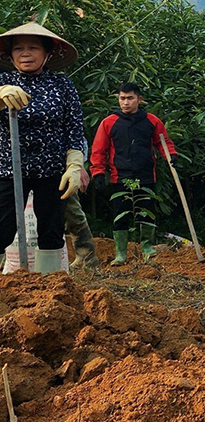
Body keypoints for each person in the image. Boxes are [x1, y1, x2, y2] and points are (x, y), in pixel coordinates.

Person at [0, 22, 86, 273]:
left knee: (51, 228)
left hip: (51, 171)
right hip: (8, 169)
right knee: (2, 226)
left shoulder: (62, 86)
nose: (25, 53)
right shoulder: (3, 81)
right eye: (18, 48)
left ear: (48, 53)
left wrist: (74, 165)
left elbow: (74, 128)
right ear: (10, 54)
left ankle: (49, 286)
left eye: (33, 47)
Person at [90, 82, 177, 264]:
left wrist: (172, 157)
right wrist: (98, 173)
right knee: (121, 214)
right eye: (122, 98)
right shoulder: (109, 123)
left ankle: (146, 246)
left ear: (139, 99)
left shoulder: (152, 121)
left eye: (130, 98)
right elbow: (99, 150)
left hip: (145, 175)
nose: (126, 102)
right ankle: (120, 253)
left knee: (146, 211)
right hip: (120, 177)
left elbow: (163, 142)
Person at [65, 167, 100, 269]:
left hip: (59, 167)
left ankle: (86, 255)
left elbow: (76, 151)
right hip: (21, 169)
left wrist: (78, 167)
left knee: (71, 210)